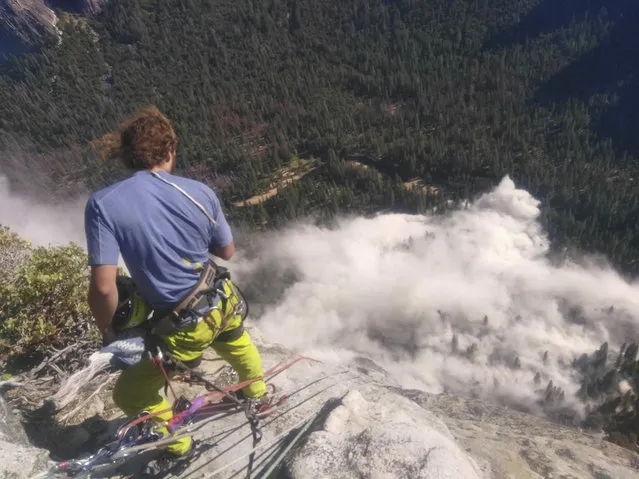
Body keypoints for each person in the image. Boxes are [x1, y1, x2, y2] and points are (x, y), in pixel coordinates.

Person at [83, 105, 266, 471]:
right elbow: (226, 251)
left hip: (182, 323)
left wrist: (109, 330)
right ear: (170, 151)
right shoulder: (200, 192)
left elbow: (103, 288)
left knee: (130, 393)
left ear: (125, 156)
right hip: (222, 299)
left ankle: (179, 446)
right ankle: (256, 392)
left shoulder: (103, 204)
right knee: (233, 337)